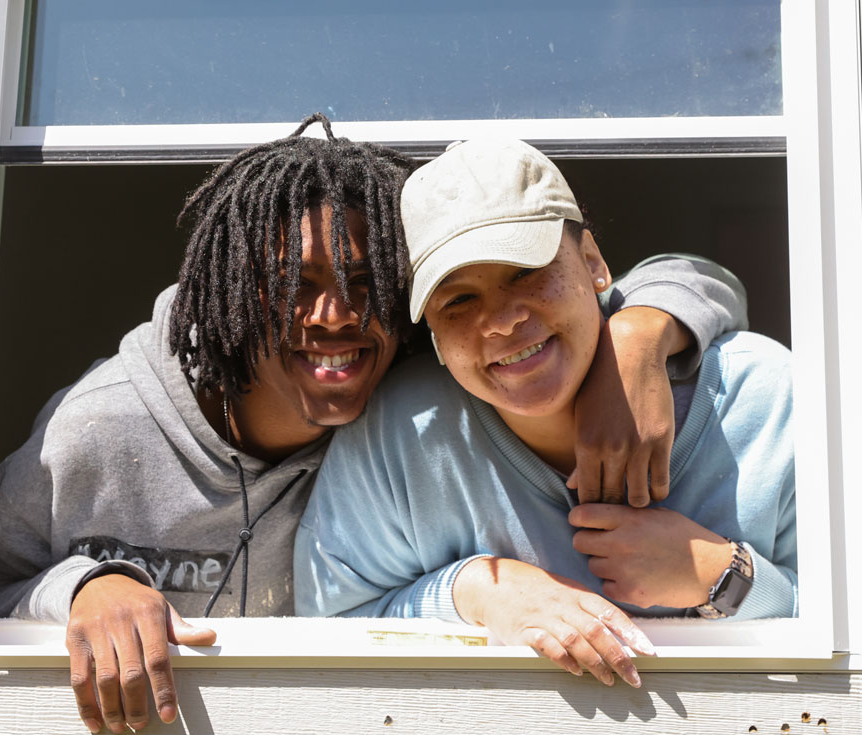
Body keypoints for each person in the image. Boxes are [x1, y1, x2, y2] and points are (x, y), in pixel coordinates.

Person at [0, 117, 748, 733]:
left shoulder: (415, 376)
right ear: (231, 291)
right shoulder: (102, 432)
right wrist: (85, 589)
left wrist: (638, 338)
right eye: (295, 285)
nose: (336, 315)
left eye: (367, 283)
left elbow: (674, 277)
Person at [294, 138, 795, 691]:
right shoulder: (400, 435)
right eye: (457, 301)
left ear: (593, 263)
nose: (502, 320)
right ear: (431, 334)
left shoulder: (762, 396)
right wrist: (479, 591)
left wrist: (720, 575)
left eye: (525, 271)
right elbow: (324, 631)